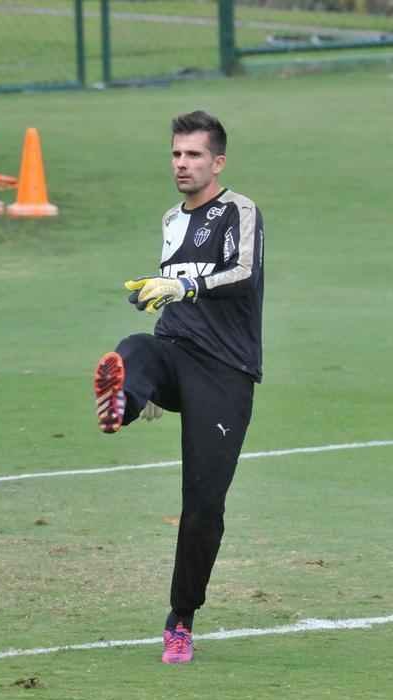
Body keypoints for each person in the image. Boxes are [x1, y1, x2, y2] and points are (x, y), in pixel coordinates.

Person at [92, 110, 265, 664]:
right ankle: (124, 400)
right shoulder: (171, 219)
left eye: (192, 155)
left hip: (225, 374)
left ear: (217, 162)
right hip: (175, 354)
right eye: (175, 154)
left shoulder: (240, 211)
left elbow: (242, 275)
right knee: (134, 344)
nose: (181, 164)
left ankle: (181, 619)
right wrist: (156, 296)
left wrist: (181, 283)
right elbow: (176, 298)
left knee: (203, 507)